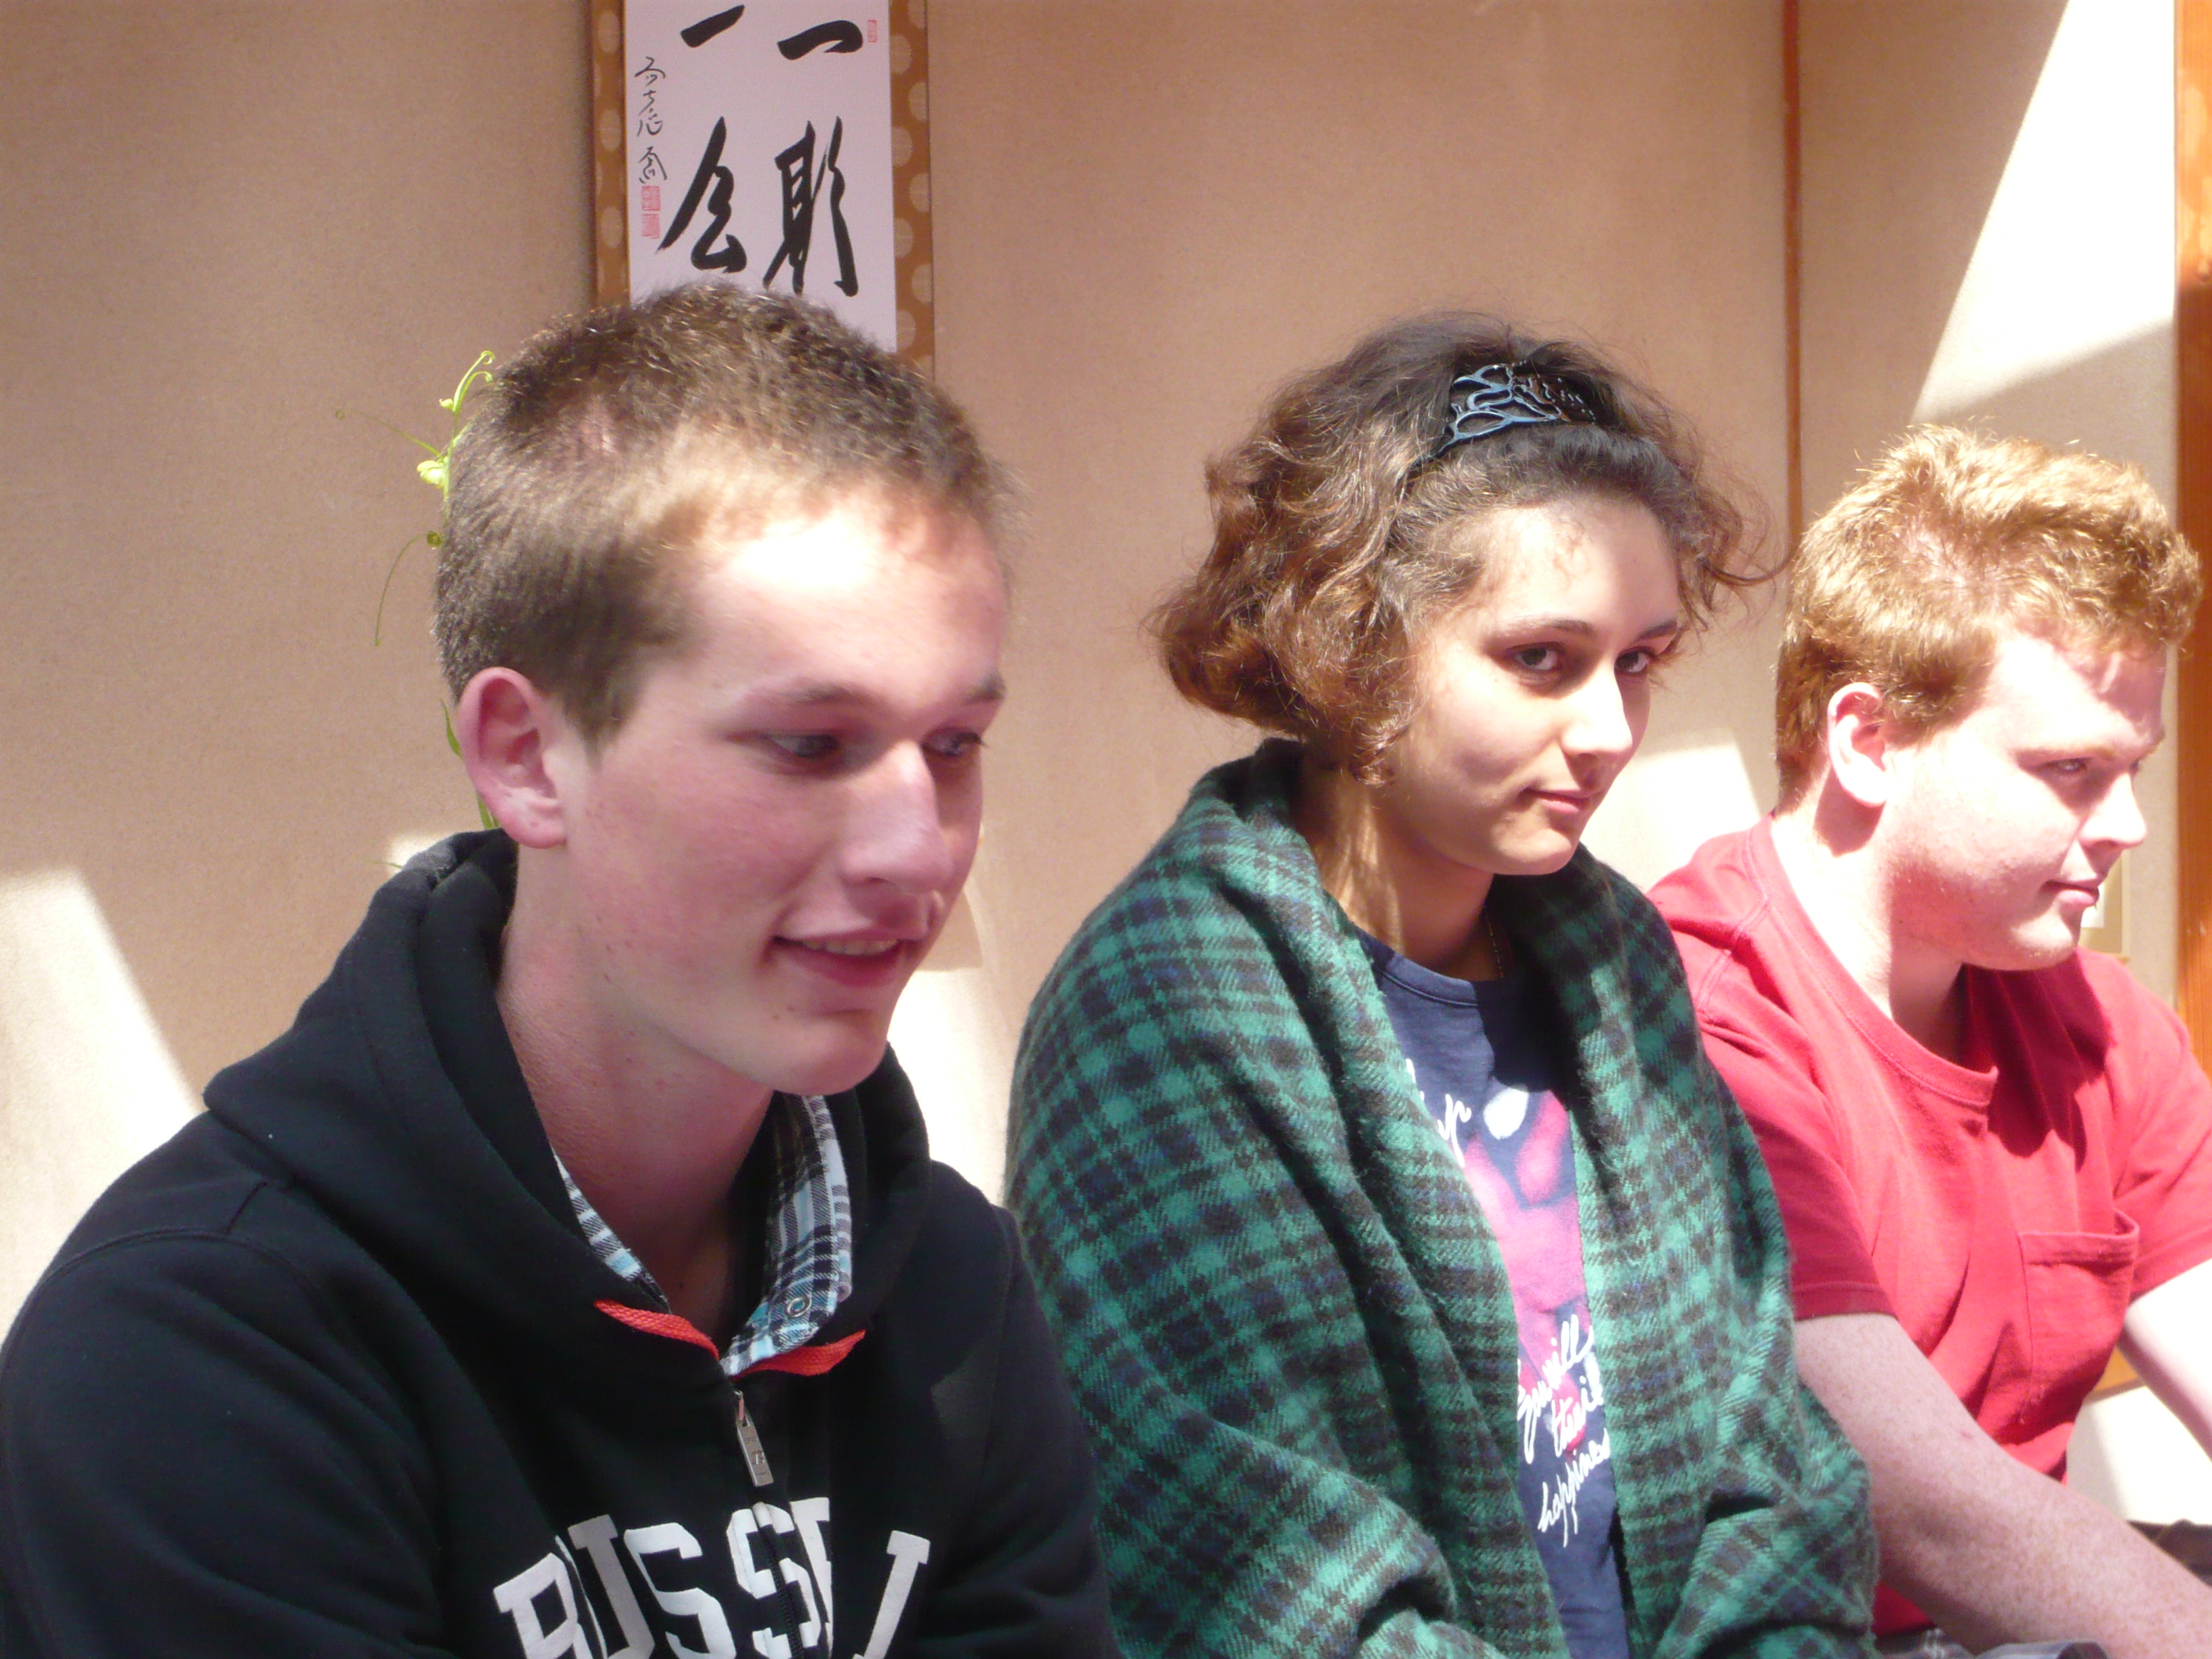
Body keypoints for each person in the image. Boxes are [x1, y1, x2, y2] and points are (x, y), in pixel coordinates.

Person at [0, 285, 1113, 1659]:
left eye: (952, 746)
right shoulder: (198, 1347)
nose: (917, 847)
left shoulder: (948, 1286)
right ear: (526, 757)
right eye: (810, 744)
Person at [1006, 316, 1876, 1659]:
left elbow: (1763, 1465)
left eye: (1639, 660)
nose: (1609, 731)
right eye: (1541, 660)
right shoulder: (1167, 1007)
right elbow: (1266, 1581)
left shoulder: (1621, 963)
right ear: (1349, 646)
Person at [1650, 426, 2212, 1659]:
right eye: (2071, 769)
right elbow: (1920, 1515)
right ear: (1870, 741)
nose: (2127, 824)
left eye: (2133, 769)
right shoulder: (1697, 1025)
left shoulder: (2100, 1023)